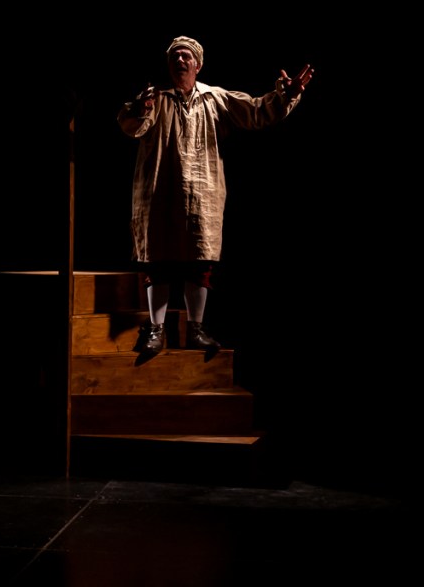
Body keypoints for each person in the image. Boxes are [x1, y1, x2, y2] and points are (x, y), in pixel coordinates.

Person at [117, 36, 314, 357]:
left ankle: (196, 329)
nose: (180, 60)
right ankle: (155, 329)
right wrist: (140, 109)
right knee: (159, 260)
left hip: (202, 192)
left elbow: (256, 112)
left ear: (198, 65)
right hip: (160, 191)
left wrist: (287, 95)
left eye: (186, 56)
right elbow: (130, 125)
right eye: (175, 56)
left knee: (200, 261)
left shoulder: (214, 97)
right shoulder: (155, 99)